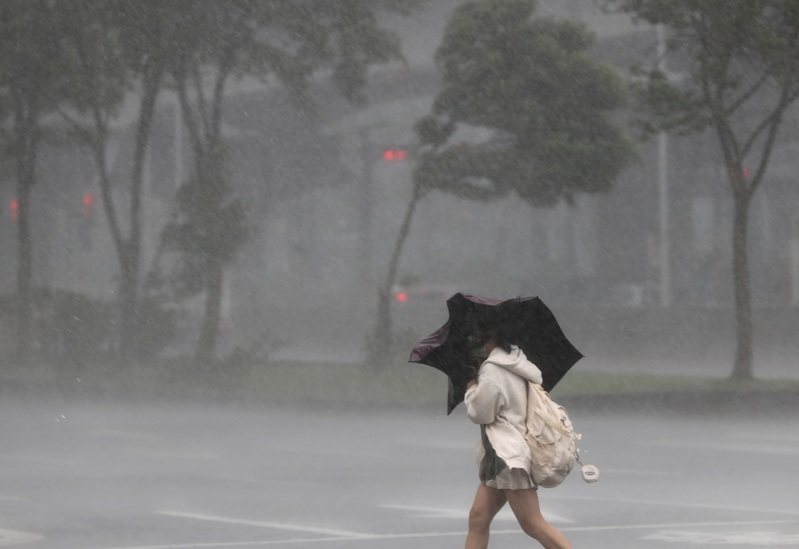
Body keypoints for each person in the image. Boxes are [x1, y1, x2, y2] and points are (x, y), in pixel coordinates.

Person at [462, 319, 572, 549]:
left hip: (507, 457)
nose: (476, 341)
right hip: (500, 456)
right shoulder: (517, 362)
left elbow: (481, 413)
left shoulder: (493, 369)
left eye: (481, 336)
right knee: (478, 519)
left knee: (532, 523)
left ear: (491, 338)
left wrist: (471, 387)